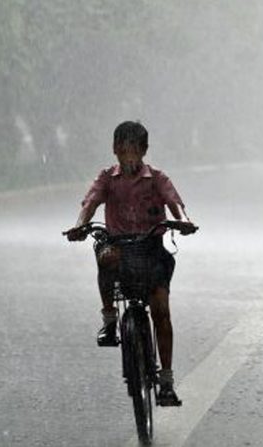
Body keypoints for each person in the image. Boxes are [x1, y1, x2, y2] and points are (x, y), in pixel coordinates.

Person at [64, 121, 197, 406]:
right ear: (115, 151)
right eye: (123, 151)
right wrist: (79, 226)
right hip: (120, 249)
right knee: (104, 255)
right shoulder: (106, 178)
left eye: (134, 151)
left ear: (144, 151)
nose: (129, 158)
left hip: (151, 250)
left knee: (161, 311)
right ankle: (110, 320)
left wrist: (184, 222)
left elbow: (176, 204)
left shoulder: (157, 178)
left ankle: (167, 381)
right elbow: (89, 204)